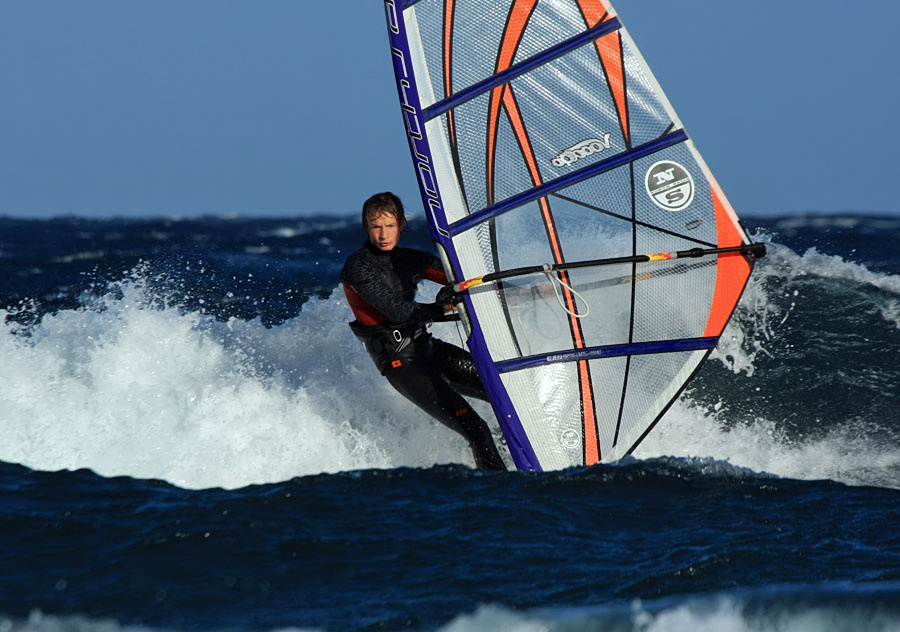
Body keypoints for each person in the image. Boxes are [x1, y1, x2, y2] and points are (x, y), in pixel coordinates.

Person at [340, 192, 507, 471]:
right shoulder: (358, 268)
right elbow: (398, 312)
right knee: (476, 429)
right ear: (366, 227)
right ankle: (501, 495)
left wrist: (520, 290)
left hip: (428, 349)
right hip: (403, 364)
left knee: (505, 394)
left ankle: (525, 463)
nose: (383, 234)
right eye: (376, 226)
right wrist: (441, 307)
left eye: (389, 226)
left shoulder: (412, 259)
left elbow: (463, 279)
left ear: (401, 225)